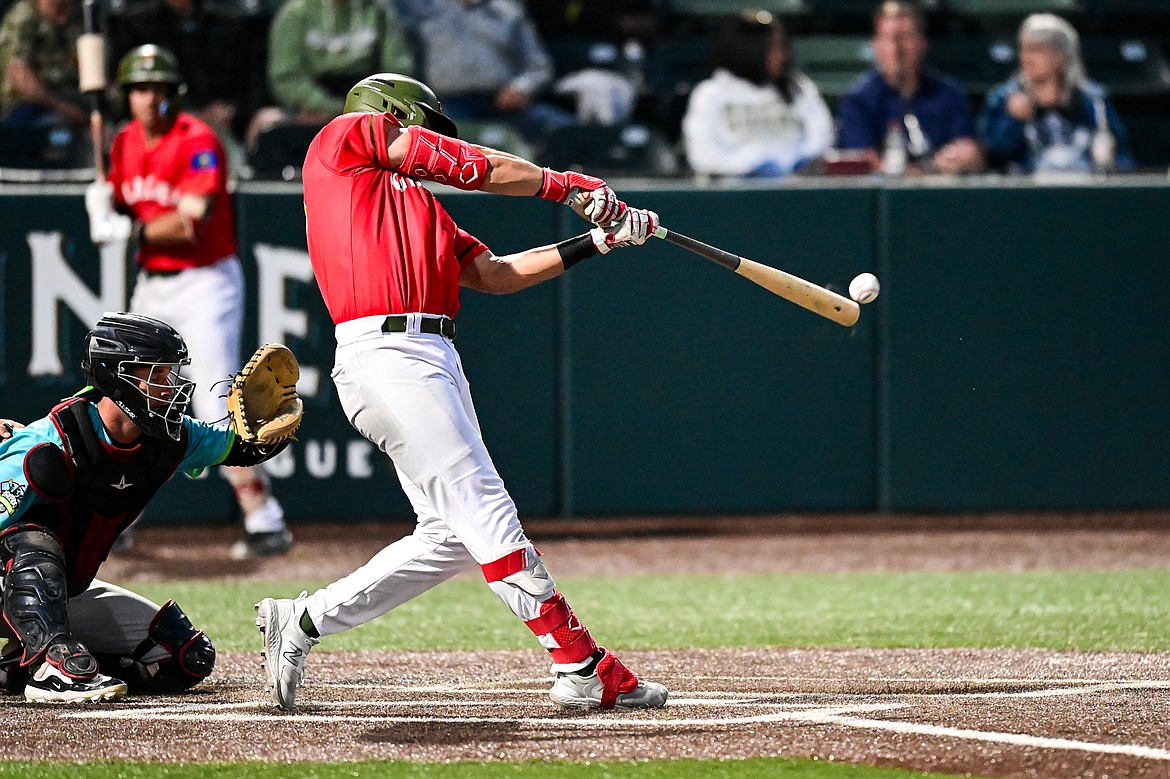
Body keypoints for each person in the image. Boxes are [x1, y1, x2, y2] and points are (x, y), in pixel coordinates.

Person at [255, 72, 668, 712]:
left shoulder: (417, 207)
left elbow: (496, 276)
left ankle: (304, 621)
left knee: (449, 536)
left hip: (429, 353)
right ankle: (579, 662)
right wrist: (564, 185)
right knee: (483, 504)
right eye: (422, 128)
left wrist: (599, 241)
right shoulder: (342, 139)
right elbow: (466, 165)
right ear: (393, 114)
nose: (430, 144)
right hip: (388, 352)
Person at [0, 313, 291, 703]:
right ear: (115, 378)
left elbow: (237, 445)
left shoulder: (170, 438)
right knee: (33, 540)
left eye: (171, 376)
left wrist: (268, 429)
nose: (170, 389)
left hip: (62, 594)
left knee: (182, 656)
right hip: (14, 583)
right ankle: (53, 666)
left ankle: (16, 664)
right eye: (157, 376)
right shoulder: (47, 443)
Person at [84, 45, 293, 559]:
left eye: (157, 89)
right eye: (139, 89)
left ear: (173, 94)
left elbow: (188, 220)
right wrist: (102, 200)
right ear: (126, 95)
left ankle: (263, 517)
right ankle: (111, 514)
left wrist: (127, 226)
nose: (148, 99)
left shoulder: (197, 139)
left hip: (205, 281)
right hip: (152, 284)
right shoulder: (123, 142)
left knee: (212, 399)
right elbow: (118, 197)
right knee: (125, 395)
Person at [399, 0, 573, 149]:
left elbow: (539, 65)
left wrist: (521, 88)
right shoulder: (419, 9)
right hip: (444, 103)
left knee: (563, 128)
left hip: (502, 103)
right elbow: (400, 60)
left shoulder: (508, 11)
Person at [835, 0, 982, 175]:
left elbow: (968, 147)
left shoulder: (949, 94)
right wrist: (922, 173)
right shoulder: (858, 99)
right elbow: (864, 161)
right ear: (876, 46)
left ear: (922, 44)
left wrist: (967, 156)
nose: (896, 49)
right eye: (889, 39)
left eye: (905, 38)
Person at [681, 11, 832, 179]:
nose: (782, 55)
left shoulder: (797, 86)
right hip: (737, 191)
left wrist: (801, 161)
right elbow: (701, 154)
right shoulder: (710, 94)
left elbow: (821, 134)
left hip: (797, 185)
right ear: (750, 50)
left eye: (783, 47)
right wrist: (747, 168)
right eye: (774, 48)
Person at [978, 13, 1134, 175]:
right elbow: (991, 157)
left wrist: (1108, 160)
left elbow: (1123, 158)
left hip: (1085, 190)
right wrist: (1013, 121)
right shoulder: (1004, 98)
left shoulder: (1094, 100)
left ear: (1061, 56)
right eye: (1024, 49)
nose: (1026, 58)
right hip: (1025, 192)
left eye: (1037, 50)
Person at [246, 0, 412, 147]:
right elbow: (286, 77)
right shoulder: (294, 13)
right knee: (265, 123)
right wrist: (327, 107)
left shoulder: (379, 10)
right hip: (310, 109)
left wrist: (366, 108)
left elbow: (398, 70)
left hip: (368, 107)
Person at [107, 0, 264, 150]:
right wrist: (183, 113)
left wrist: (233, 111)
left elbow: (250, 85)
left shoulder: (230, 24)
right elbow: (124, 91)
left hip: (222, 130)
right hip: (158, 128)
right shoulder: (133, 25)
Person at [0, 0, 85, 126]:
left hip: (83, 105)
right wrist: (67, 110)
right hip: (32, 109)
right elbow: (19, 75)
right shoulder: (25, 16)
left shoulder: (86, 13)